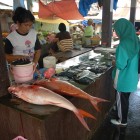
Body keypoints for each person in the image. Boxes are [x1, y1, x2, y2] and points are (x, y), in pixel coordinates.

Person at [111, 18, 140, 126]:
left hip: (124, 77)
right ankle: (120, 108)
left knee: (121, 95)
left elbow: (121, 64)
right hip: (133, 74)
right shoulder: (135, 39)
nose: (116, 32)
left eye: (116, 30)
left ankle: (122, 120)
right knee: (125, 97)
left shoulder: (123, 44)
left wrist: (115, 61)